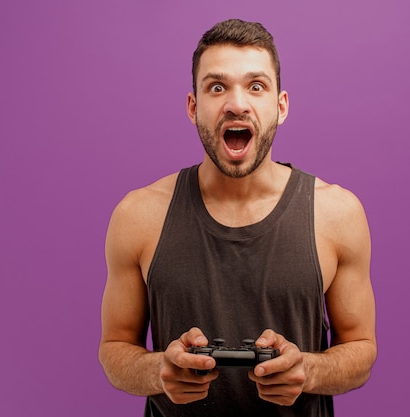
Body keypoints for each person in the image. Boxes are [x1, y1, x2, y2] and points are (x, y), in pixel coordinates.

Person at [99, 19, 376, 417]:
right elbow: (113, 349)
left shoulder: (337, 212)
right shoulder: (138, 214)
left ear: (280, 107)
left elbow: (362, 349)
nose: (237, 104)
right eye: (216, 87)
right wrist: (158, 371)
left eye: (256, 86)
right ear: (194, 107)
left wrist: (309, 371)